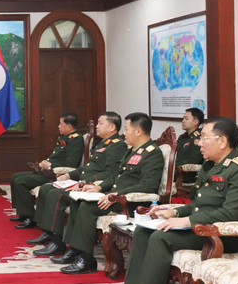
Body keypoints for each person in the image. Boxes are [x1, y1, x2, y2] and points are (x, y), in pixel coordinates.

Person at [102, 117, 238, 284]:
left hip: (223, 234)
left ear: (222, 141)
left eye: (204, 138)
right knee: (143, 230)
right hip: (200, 225)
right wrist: (174, 213)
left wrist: (187, 221)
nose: (199, 143)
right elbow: (197, 204)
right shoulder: (210, 165)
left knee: (160, 238)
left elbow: (230, 214)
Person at [57, 112, 164, 274]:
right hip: (113, 195)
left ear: (138, 131)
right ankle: (75, 249)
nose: (124, 132)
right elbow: (116, 175)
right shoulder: (132, 150)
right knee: (77, 200)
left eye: (127, 129)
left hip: (129, 202)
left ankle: (87, 260)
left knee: (87, 207)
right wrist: (99, 188)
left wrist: (116, 196)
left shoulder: (152, 153)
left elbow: (147, 185)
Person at [28, 112, 127, 256]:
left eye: (100, 123)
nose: (97, 127)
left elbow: (110, 173)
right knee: (47, 188)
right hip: (81, 182)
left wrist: (85, 182)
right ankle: (48, 232)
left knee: (56, 194)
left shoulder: (118, 146)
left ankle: (57, 241)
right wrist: (69, 175)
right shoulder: (102, 143)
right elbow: (87, 168)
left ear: (112, 127)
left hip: (92, 186)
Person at [10, 112, 83, 229]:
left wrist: (50, 165)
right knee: (14, 177)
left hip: (55, 174)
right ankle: (23, 213)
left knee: (20, 181)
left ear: (69, 126)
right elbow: (57, 156)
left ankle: (31, 217)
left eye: (61, 124)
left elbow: (71, 163)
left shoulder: (76, 140)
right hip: (47, 171)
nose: (58, 126)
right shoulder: (63, 137)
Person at [175, 108, 204, 185]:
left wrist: (175, 166)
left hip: (187, 175)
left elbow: (195, 160)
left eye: (186, 119)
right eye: (183, 118)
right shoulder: (182, 137)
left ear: (196, 122)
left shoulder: (198, 139)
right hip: (175, 171)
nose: (183, 121)